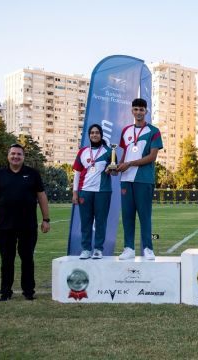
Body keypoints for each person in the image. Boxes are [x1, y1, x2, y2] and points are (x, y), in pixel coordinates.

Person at [0, 144, 50, 301]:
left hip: (28, 226)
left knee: (27, 259)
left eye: (19, 154)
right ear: (8, 156)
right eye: (13, 154)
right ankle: (5, 292)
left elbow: (42, 196)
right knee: (6, 260)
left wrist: (46, 219)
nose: (16, 156)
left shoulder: (33, 174)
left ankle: (29, 291)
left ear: (23, 157)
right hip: (5, 226)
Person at [115, 98, 163, 261]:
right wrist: (117, 167)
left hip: (144, 179)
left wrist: (130, 164)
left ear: (146, 112)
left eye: (141, 110)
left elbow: (152, 156)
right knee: (127, 215)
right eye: (135, 109)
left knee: (144, 215)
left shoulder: (154, 131)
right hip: (126, 179)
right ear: (132, 111)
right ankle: (128, 248)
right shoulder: (126, 131)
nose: (138, 112)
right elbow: (124, 155)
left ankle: (148, 248)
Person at [72, 124, 113, 260]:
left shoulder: (109, 151)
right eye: (92, 133)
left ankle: (98, 249)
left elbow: (114, 170)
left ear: (101, 135)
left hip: (103, 191)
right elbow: (77, 173)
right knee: (86, 222)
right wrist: (75, 192)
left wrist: (111, 169)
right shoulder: (83, 152)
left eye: (97, 132)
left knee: (101, 221)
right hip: (85, 191)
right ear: (89, 135)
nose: (94, 135)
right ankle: (86, 249)